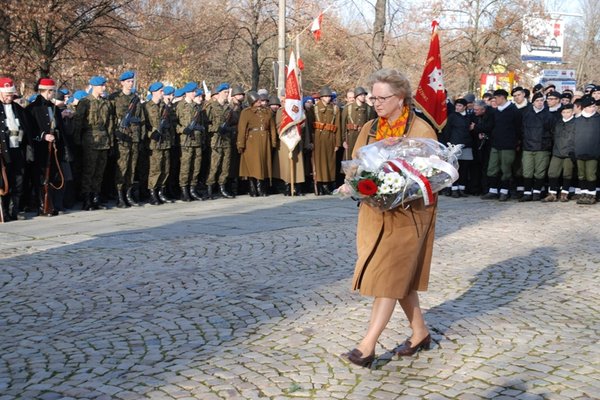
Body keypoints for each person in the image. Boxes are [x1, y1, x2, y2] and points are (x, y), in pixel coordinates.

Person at [341, 68, 438, 368]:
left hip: (410, 214)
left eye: (383, 98)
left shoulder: (421, 130)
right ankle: (420, 332)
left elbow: (432, 174)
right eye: (373, 97)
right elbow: (355, 164)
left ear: (401, 98)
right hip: (374, 212)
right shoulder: (370, 127)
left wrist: (397, 186)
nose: (376, 103)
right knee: (400, 278)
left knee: (388, 276)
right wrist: (353, 181)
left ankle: (366, 346)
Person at [26, 78, 68, 215]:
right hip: (41, 148)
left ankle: (54, 204)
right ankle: (42, 205)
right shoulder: (32, 108)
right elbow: (30, 129)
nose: (52, 94)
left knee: (53, 176)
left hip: (54, 147)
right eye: (51, 91)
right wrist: (43, 135)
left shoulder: (53, 107)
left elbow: (59, 126)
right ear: (46, 91)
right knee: (41, 177)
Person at [72, 76, 113, 211]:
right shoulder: (85, 102)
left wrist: (110, 140)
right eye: (102, 86)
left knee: (99, 171)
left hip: (104, 139)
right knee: (89, 170)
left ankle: (96, 197)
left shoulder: (106, 102)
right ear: (94, 86)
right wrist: (77, 140)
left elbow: (110, 124)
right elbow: (78, 122)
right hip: (90, 139)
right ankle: (87, 198)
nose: (104, 88)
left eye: (104, 85)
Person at [110, 71, 145, 208]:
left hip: (134, 137)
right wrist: (114, 135)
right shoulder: (115, 98)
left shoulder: (135, 98)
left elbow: (141, 119)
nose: (131, 84)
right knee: (122, 167)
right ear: (122, 83)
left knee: (131, 167)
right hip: (122, 137)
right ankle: (119, 195)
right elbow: (111, 119)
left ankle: (128, 193)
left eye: (132, 81)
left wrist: (140, 137)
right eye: (128, 81)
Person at [480, 89, 522, 201]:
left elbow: (519, 128)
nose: (495, 100)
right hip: (495, 144)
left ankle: (504, 191)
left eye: (496, 98)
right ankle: (493, 190)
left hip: (508, 145)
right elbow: (490, 126)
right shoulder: (495, 111)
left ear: (502, 98)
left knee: (506, 169)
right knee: (492, 168)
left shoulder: (514, 110)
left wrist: (517, 142)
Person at [0, 77, 32, 221]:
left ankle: (15, 210)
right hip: (3, 151)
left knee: (18, 181)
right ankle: (4, 211)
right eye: (6, 95)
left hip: (18, 148)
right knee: (4, 183)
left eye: (11, 94)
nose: (9, 97)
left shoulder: (18, 109)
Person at [236, 91, 277, 196]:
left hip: (265, 139)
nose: (260, 102)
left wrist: (273, 141)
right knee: (253, 164)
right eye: (257, 100)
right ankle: (253, 187)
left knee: (264, 163)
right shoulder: (246, 112)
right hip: (251, 141)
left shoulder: (267, 112)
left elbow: (272, 128)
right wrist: (240, 144)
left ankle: (261, 186)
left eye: (260, 100)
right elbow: (242, 129)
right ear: (252, 101)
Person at [519, 92, 555, 201]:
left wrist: (548, 144)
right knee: (527, 171)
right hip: (528, 147)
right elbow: (521, 130)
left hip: (542, 148)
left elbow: (553, 132)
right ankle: (527, 193)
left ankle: (536, 192)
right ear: (533, 102)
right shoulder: (526, 114)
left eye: (541, 101)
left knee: (539, 172)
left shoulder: (549, 115)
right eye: (537, 101)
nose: (539, 103)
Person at [144, 82, 173, 205]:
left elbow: (170, 124)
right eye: (161, 91)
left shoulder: (165, 106)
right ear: (154, 92)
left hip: (165, 141)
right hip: (154, 142)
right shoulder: (146, 107)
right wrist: (151, 134)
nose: (163, 93)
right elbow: (143, 125)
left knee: (165, 168)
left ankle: (161, 191)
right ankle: (153, 193)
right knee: (155, 169)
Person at [205, 83, 235, 199]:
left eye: (227, 92)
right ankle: (210, 187)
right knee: (214, 165)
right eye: (224, 92)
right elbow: (206, 125)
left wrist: (230, 129)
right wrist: (216, 128)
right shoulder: (211, 107)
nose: (226, 94)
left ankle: (222, 187)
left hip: (226, 140)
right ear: (218, 93)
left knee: (225, 165)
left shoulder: (228, 108)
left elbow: (232, 123)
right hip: (216, 140)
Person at [310, 86, 341, 195]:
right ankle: (320, 185)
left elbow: (338, 127)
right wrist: (310, 141)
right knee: (319, 162)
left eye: (329, 96)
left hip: (330, 138)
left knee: (330, 162)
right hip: (318, 138)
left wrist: (338, 143)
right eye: (326, 96)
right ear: (321, 97)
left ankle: (328, 184)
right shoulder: (314, 108)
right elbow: (310, 127)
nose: (328, 98)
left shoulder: (335, 109)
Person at [543, 103, 576, 202]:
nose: (566, 114)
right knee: (552, 172)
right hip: (557, 151)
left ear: (572, 112)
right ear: (561, 113)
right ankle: (552, 193)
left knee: (567, 173)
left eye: (568, 112)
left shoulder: (576, 123)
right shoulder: (557, 123)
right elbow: (553, 135)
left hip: (569, 152)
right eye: (564, 112)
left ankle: (564, 193)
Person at [442, 98, 474, 197]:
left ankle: (462, 188)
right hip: (455, 145)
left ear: (465, 107)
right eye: (456, 105)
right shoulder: (452, 116)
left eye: (460, 106)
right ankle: (454, 188)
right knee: (455, 167)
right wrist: (448, 144)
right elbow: (447, 131)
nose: (457, 107)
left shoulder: (469, 117)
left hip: (467, 145)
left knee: (465, 168)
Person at [573, 95, 600, 204]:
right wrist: (573, 151)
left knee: (591, 174)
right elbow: (572, 136)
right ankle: (583, 193)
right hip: (579, 152)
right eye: (590, 106)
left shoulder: (598, 119)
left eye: (594, 106)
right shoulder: (577, 120)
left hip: (593, 153)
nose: (592, 108)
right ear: (584, 107)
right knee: (581, 174)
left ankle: (591, 194)